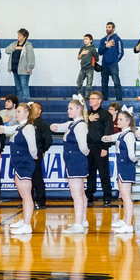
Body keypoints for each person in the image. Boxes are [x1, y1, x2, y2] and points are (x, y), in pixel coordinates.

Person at [51, 98, 91, 234]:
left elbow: (84, 147)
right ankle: (83, 220)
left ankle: (78, 224)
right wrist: (54, 126)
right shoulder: (73, 124)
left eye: (71, 108)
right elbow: (59, 126)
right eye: (68, 108)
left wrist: (86, 153)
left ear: (78, 109)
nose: (68, 110)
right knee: (81, 193)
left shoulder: (79, 126)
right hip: (74, 161)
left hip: (76, 161)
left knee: (76, 194)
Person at [2, 102, 40, 235]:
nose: (16, 113)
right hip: (18, 163)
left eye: (19, 111)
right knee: (23, 195)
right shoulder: (18, 127)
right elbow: (4, 129)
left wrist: (34, 156)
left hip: (24, 163)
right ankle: (24, 220)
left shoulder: (28, 127)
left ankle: (27, 224)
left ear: (26, 113)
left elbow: (32, 146)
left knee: (26, 195)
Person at [101, 106, 139, 232]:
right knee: (123, 196)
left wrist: (134, 159)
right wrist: (105, 137)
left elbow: (131, 155)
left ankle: (128, 225)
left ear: (128, 122)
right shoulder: (122, 134)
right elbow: (109, 137)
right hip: (122, 167)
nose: (118, 120)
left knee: (126, 197)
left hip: (127, 167)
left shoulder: (129, 135)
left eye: (121, 119)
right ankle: (125, 220)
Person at [85, 91, 115, 207]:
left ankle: (107, 198)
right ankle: (89, 196)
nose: (91, 101)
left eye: (93, 99)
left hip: (100, 147)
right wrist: (88, 120)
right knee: (90, 174)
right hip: (88, 148)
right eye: (90, 99)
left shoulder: (106, 115)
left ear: (99, 100)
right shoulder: (86, 114)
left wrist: (105, 147)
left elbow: (108, 131)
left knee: (104, 174)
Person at [29, 101, 53, 208]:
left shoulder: (42, 124)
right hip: (27, 154)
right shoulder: (27, 123)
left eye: (33, 108)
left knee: (37, 177)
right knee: (26, 178)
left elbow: (48, 140)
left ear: (39, 111)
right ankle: (28, 200)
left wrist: (42, 150)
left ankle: (40, 200)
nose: (31, 110)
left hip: (36, 154)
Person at [3, 28, 35, 102]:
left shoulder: (28, 46)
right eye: (18, 35)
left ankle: (26, 102)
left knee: (24, 86)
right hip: (15, 69)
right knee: (18, 87)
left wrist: (29, 67)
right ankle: (20, 102)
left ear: (24, 37)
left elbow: (31, 58)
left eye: (20, 35)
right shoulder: (14, 44)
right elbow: (7, 50)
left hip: (24, 70)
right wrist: (15, 48)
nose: (18, 37)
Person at [97, 22, 125, 102]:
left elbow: (121, 52)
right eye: (106, 27)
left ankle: (119, 100)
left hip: (113, 65)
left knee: (116, 83)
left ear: (113, 28)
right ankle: (104, 100)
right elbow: (100, 52)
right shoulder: (103, 40)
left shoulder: (117, 39)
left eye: (109, 27)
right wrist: (106, 46)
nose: (107, 29)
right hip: (104, 65)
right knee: (104, 84)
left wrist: (115, 61)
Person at [76, 33, 97, 98]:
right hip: (82, 68)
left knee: (89, 84)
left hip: (90, 69)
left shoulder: (93, 48)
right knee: (79, 82)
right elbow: (78, 58)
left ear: (91, 40)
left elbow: (97, 58)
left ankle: (88, 96)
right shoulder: (82, 48)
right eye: (84, 39)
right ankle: (80, 95)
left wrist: (92, 61)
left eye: (86, 39)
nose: (84, 40)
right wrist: (82, 53)